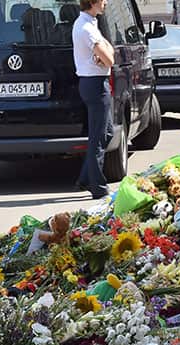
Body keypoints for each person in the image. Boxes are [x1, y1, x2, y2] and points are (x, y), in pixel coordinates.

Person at [73, 0, 114, 200]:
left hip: (96, 82)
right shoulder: (87, 27)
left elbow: (109, 51)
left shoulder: (91, 22)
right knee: (98, 137)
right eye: (103, 0)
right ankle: (97, 185)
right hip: (95, 83)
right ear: (93, 2)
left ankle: (84, 177)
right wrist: (105, 54)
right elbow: (110, 59)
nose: (106, 2)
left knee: (106, 132)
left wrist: (105, 52)